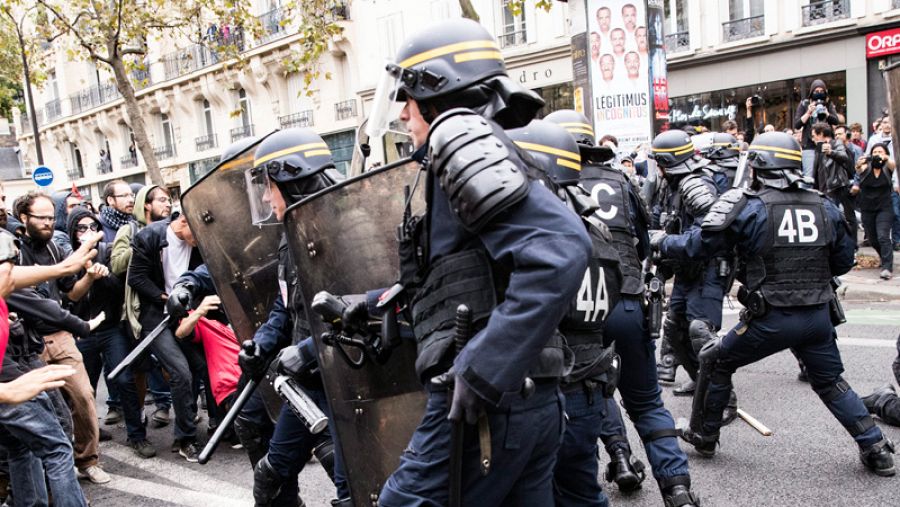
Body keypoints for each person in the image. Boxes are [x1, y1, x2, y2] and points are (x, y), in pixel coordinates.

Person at [370, 18, 591, 505]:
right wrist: (366, 304)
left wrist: (483, 366)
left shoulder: (458, 135)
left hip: (489, 402)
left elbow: (562, 250)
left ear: (437, 88)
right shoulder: (485, 147)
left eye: (407, 97)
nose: (404, 114)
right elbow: (465, 272)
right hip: (529, 396)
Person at [654, 132, 896, 477]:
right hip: (818, 317)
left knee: (713, 359)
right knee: (830, 381)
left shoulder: (750, 206)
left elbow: (699, 245)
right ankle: (876, 447)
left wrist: (664, 241)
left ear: (759, 167)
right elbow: (843, 261)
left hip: (770, 316)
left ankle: (704, 435)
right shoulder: (824, 204)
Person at [547, 110, 699, 506]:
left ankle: (617, 454)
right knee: (647, 401)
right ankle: (678, 488)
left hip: (577, 309)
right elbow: (644, 245)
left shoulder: (544, 182)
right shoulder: (620, 180)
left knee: (588, 388)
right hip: (627, 299)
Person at [12, 191, 110, 484]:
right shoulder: (13, 253)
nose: (47, 223)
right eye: (41, 218)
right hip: (30, 345)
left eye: (51, 217)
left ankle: (88, 460)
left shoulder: (55, 247)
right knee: (46, 411)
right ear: (24, 218)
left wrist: (89, 277)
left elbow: (70, 292)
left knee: (84, 396)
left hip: (62, 335)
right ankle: (51, 472)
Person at [66, 206, 155, 458]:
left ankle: (137, 435)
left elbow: (121, 290)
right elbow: (70, 297)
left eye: (93, 227)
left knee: (125, 378)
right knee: (85, 388)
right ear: (73, 232)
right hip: (82, 330)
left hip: (110, 328)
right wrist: (86, 273)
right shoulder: (68, 258)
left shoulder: (106, 251)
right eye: (81, 228)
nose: (88, 232)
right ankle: (90, 431)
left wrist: (101, 274)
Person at [649, 131, 730, 402]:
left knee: (700, 333)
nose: (657, 169)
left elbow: (709, 236)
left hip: (707, 269)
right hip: (688, 269)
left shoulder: (694, 184)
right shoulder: (674, 184)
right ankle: (701, 383)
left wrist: (665, 241)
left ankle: (723, 398)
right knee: (675, 330)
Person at [128, 211, 207, 461]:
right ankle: (186, 439)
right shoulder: (149, 236)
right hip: (155, 316)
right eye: (197, 234)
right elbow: (136, 278)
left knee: (198, 367)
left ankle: (184, 428)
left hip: (184, 313)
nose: (200, 239)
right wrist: (168, 299)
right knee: (180, 371)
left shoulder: (196, 245)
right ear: (184, 220)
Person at [110, 184, 173, 428]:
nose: (167, 204)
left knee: (173, 365)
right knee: (140, 367)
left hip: (166, 304)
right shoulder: (129, 230)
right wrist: (142, 242)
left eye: (169, 200)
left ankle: (167, 405)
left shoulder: (170, 228)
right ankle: (137, 417)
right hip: (139, 309)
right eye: (161, 200)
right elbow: (116, 265)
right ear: (146, 204)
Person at [853, 144, 895, 280]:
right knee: (872, 238)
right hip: (867, 208)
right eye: (875, 151)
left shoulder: (888, 167)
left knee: (883, 236)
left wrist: (886, 157)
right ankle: (884, 257)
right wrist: (859, 164)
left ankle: (887, 267)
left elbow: (894, 166)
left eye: (880, 151)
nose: (877, 154)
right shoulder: (866, 166)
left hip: (885, 207)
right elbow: (858, 170)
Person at [794, 79, 842, 179]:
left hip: (825, 144)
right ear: (811, 92)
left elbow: (836, 121)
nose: (819, 93)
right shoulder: (804, 104)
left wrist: (827, 113)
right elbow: (797, 124)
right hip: (809, 144)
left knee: (826, 175)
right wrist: (808, 112)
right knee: (809, 175)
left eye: (821, 91)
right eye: (816, 91)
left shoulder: (828, 104)